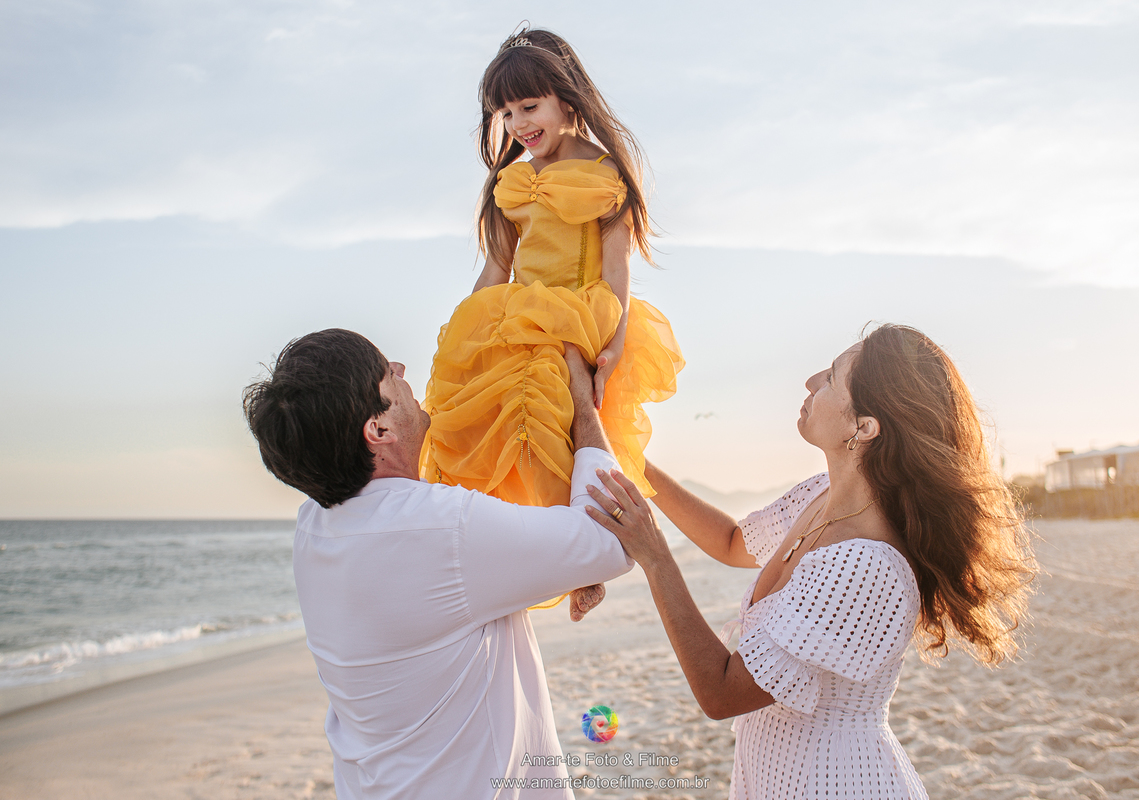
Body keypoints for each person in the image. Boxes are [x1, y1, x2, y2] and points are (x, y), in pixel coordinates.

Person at [582, 324, 1038, 799]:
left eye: (832, 377)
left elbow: (721, 692)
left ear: (863, 427)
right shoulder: (819, 497)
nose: (810, 381)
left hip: (835, 784)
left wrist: (655, 556)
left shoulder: (867, 567)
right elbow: (732, 541)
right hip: (779, 777)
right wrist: (638, 464)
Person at [242, 328, 632, 800]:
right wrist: (581, 401)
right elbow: (613, 536)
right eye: (389, 374)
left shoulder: (314, 527)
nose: (403, 371)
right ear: (378, 430)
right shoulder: (444, 529)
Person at [419, 26, 685, 616]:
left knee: (561, 414)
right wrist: (464, 333)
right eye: (506, 112)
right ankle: (541, 554)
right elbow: (498, 266)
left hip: (580, 309)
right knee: (510, 430)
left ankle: (594, 552)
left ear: (567, 100)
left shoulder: (603, 172)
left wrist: (612, 344)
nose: (518, 124)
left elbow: (617, 270)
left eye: (529, 106)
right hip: (519, 308)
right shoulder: (511, 181)